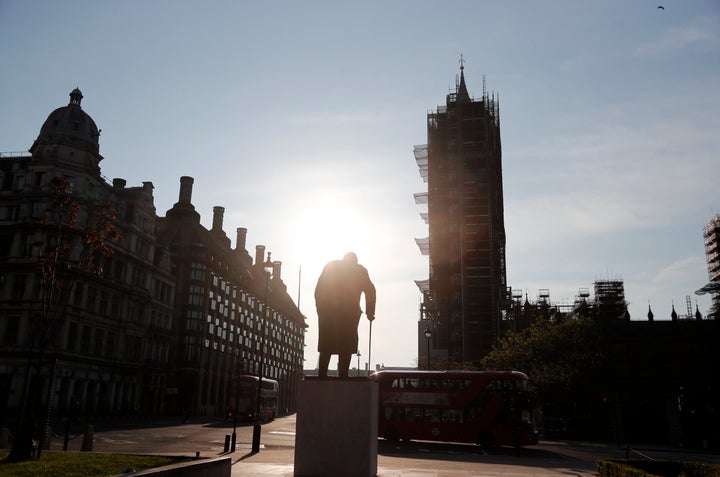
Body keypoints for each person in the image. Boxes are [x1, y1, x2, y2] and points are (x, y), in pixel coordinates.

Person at [314, 252, 376, 378]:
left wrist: (321, 309)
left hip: (330, 313)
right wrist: (370, 312)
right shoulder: (360, 271)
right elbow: (371, 291)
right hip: (345, 314)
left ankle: (323, 374)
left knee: (329, 343)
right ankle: (342, 374)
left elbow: (319, 290)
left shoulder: (332, 266)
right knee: (345, 344)